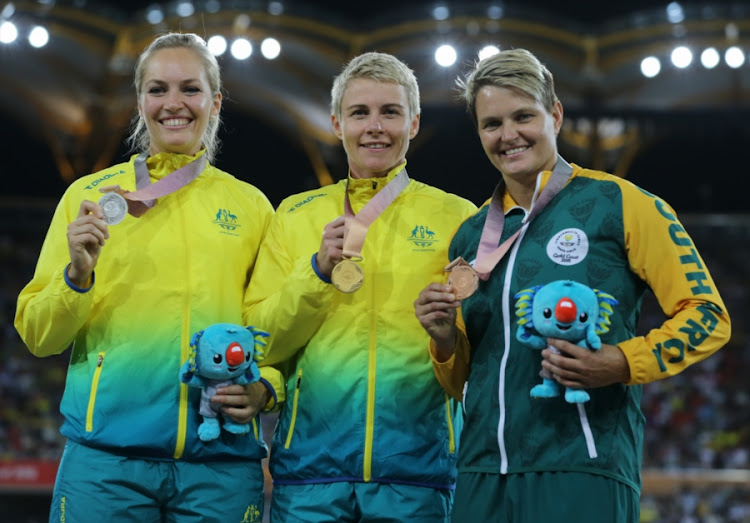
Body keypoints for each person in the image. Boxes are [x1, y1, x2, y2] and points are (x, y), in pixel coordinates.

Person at [414, 48, 731, 523]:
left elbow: (708, 316)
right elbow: (464, 381)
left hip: (584, 467)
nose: (508, 135)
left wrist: (622, 361)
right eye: (492, 123)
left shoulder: (621, 203)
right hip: (480, 474)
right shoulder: (471, 235)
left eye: (524, 116)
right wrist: (442, 340)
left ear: (555, 115)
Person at [14, 32, 280, 523]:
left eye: (190, 89)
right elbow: (37, 335)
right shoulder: (88, 197)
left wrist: (265, 388)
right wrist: (76, 274)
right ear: (140, 101)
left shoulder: (253, 207)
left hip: (220, 464)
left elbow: (275, 333)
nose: (173, 103)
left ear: (215, 101)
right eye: (157, 89)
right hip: (106, 463)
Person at [242, 51, 477, 522]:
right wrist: (315, 272)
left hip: (417, 477)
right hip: (308, 475)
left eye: (390, 112)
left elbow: (480, 353)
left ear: (412, 123)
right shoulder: (294, 215)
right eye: (359, 113)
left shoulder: (457, 217)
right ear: (336, 123)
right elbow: (259, 341)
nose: (375, 126)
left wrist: (449, 338)